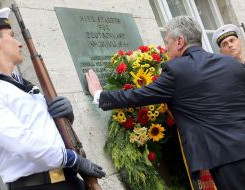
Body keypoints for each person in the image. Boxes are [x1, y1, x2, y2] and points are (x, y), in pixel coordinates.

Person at [86, 15, 245, 190]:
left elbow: (139, 95)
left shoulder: (177, 70)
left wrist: (100, 95)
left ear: (179, 41)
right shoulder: (232, 63)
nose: (165, 47)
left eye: (167, 41)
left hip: (224, 156)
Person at [0, 7, 105, 190]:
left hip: (70, 181)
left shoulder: (25, 86)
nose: (19, 43)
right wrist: (73, 159)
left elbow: (45, 132)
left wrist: (66, 116)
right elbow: (23, 144)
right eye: (12, 35)